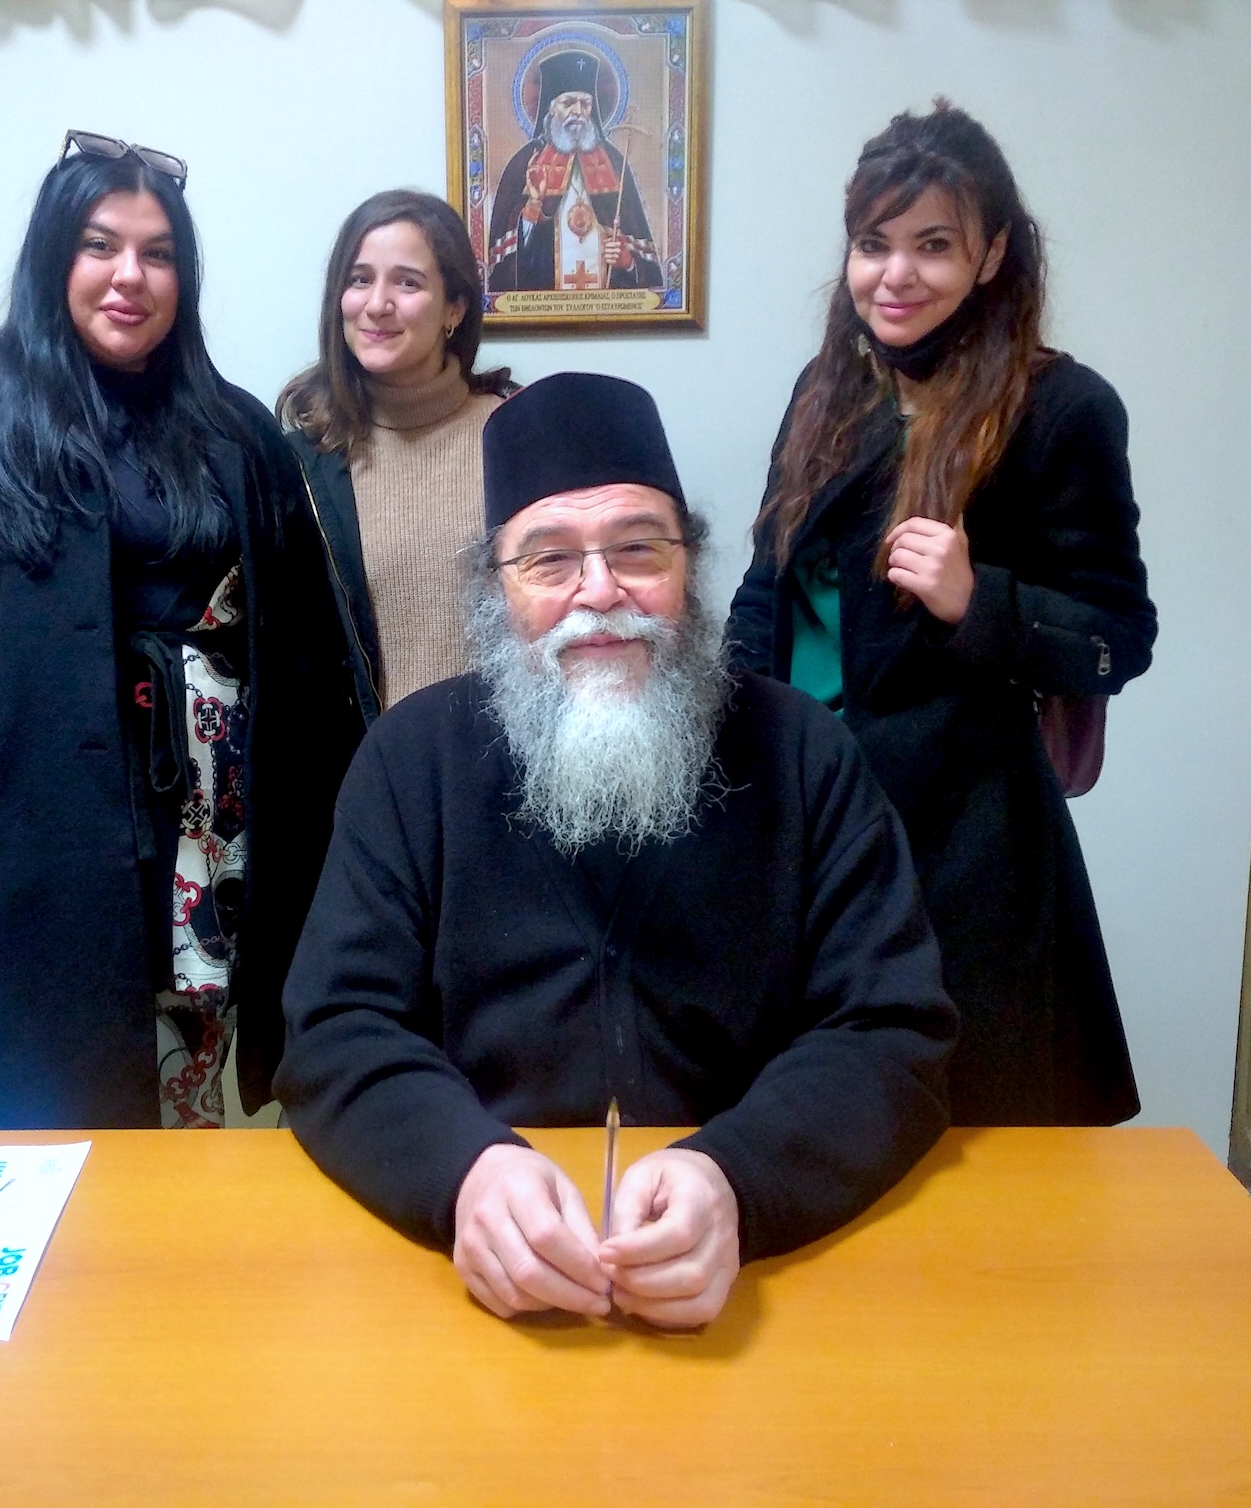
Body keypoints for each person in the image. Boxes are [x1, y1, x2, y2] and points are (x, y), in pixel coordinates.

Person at [275, 372, 956, 1329]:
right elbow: (335, 1028)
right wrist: (465, 1171)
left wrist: (738, 1178)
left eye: (638, 548)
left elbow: (893, 1028)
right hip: (472, 1276)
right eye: (548, 560)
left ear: (690, 564)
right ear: (496, 587)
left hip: (763, 1271)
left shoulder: (803, 752)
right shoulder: (411, 759)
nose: (600, 593)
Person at [0, 131, 360, 1131]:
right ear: (54, 258)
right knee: (46, 1120)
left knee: (202, 1107)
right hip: (34, 832)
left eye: (158, 253)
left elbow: (304, 636)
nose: (131, 275)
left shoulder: (239, 431)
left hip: (219, 835)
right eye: (100, 245)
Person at [727, 101, 1158, 1127]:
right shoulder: (827, 391)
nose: (896, 275)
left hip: (971, 851)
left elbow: (1119, 636)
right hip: (814, 813)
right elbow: (768, 582)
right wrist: (728, 717)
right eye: (873, 244)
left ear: (992, 253)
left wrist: (980, 601)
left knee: (975, 1134)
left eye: (933, 245)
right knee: (819, 1118)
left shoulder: (1061, 408)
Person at [279, 191, 515, 719]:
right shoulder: (300, 464)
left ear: (454, 308)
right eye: (360, 279)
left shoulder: (517, 435)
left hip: (498, 755)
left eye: (407, 283)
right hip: (363, 762)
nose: (377, 304)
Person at [485, 50, 663, 294]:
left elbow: (646, 268)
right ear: (550, 109)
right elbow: (507, 264)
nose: (578, 111)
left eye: (585, 103)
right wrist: (533, 207)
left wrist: (628, 262)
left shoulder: (613, 162)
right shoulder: (526, 162)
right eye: (568, 103)